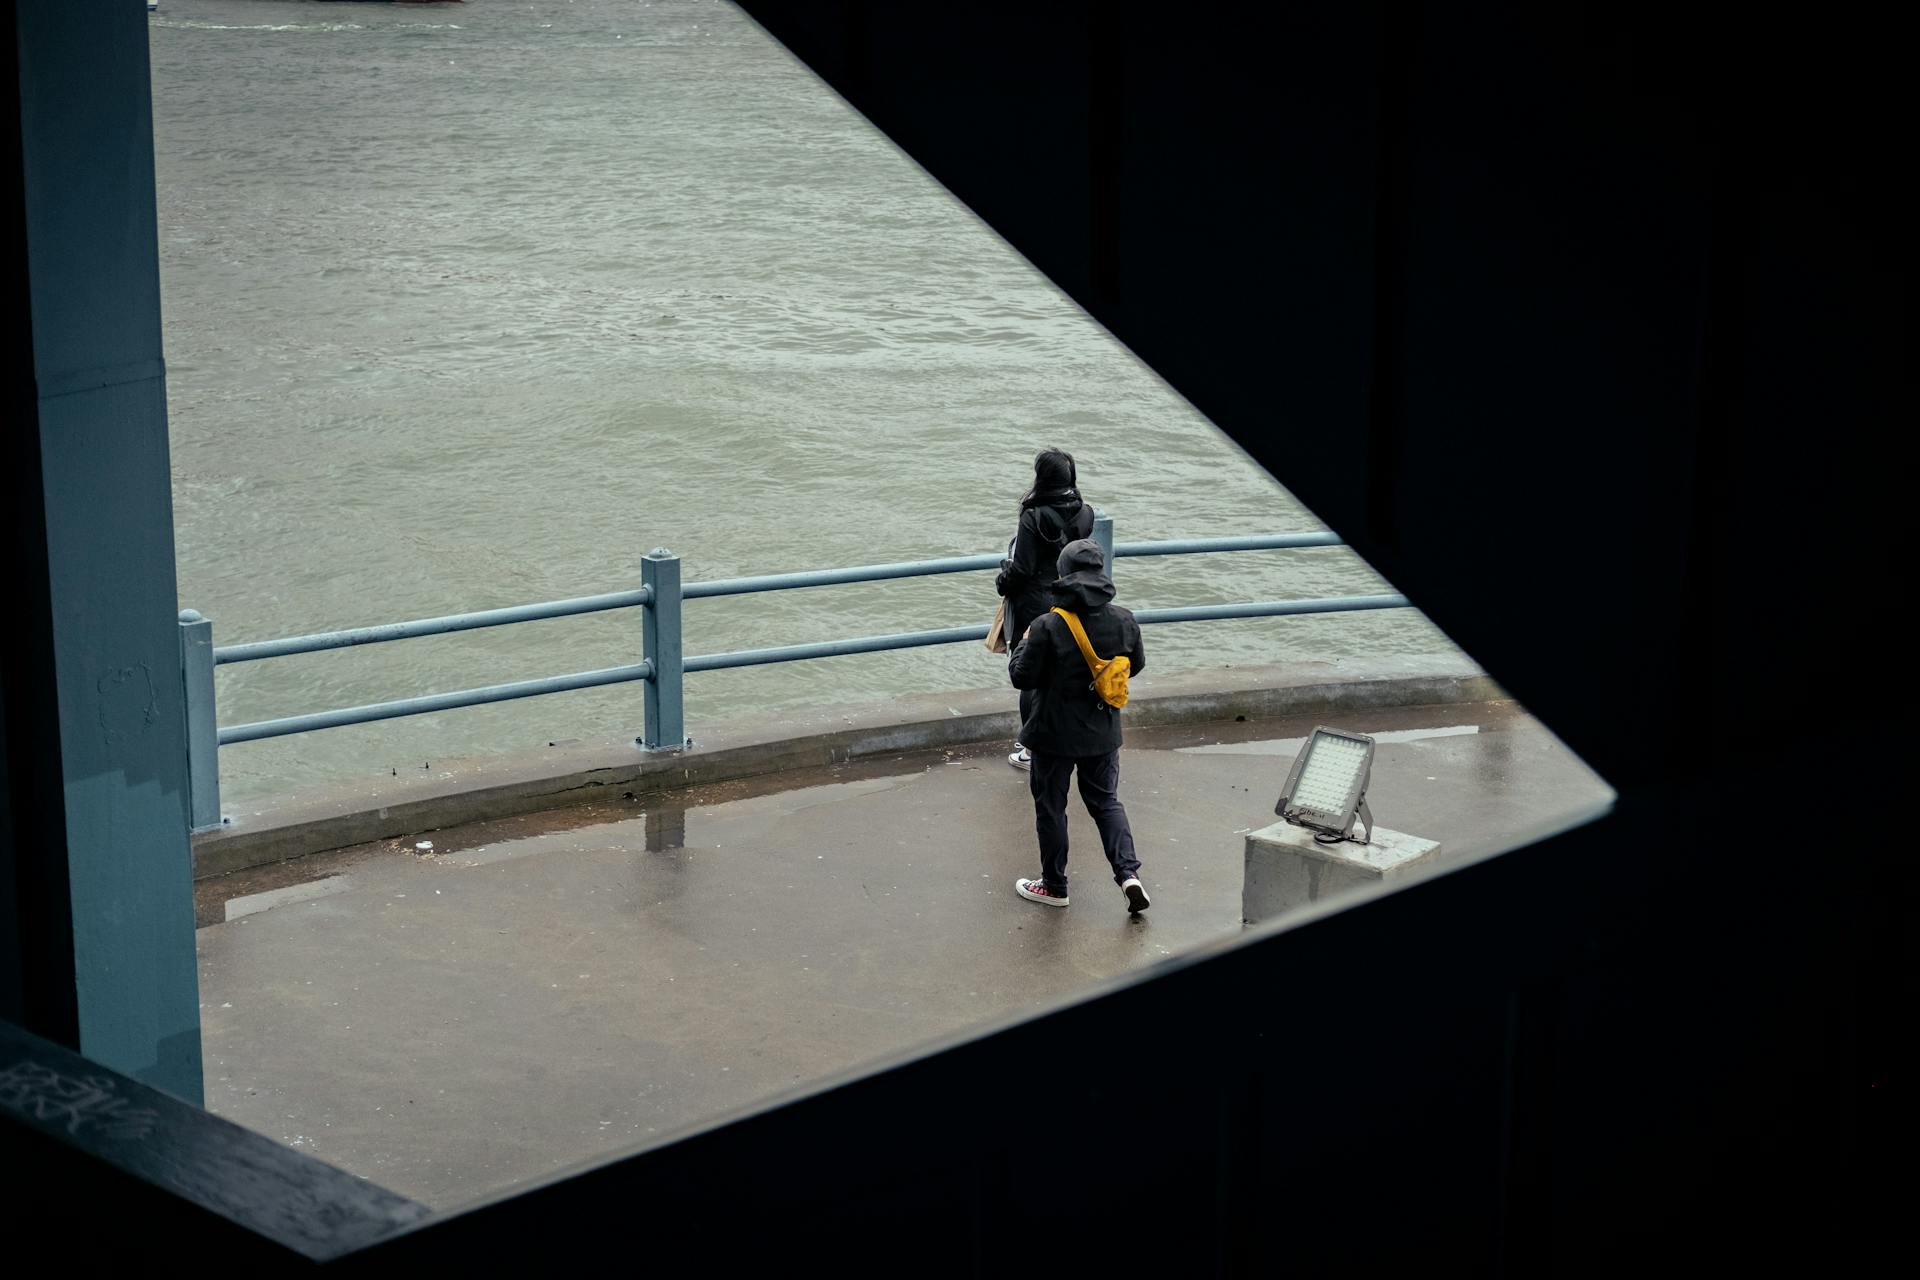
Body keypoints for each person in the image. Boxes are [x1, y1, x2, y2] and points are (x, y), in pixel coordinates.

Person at [1007, 538, 1151, 913]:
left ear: (1063, 573)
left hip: (1053, 734)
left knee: (1051, 807)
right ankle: (1128, 874)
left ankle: (1054, 886)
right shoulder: (1124, 618)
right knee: (1106, 803)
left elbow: (1022, 678)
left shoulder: (1048, 624)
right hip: (1103, 731)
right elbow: (1133, 666)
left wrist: (1023, 642)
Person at [994, 449, 1094, 770]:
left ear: (1041, 478)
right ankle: (1057, 739)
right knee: (1059, 672)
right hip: (1070, 602)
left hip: (1034, 605)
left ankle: (1029, 748)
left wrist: (1001, 580)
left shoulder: (1032, 517)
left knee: (1030, 671)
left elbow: (1021, 570)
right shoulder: (1085, 514)